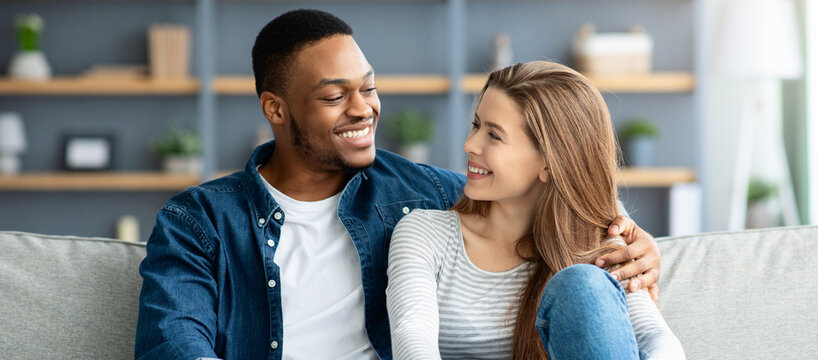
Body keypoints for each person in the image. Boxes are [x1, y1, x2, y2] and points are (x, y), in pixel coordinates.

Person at [135, 10, 663, 360]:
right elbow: (174, 346)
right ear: (276, 108)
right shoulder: (199, 223)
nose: (363, 108)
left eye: (368, 87)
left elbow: (529, 187)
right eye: (334, 96)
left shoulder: (418, 195)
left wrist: (626, 234)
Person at [386, 61, 684, 359]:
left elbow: (658, 340)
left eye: (494, 135)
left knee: (583, 284)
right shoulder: (424, 234)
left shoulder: (602, 246)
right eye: (476, 125)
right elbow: (412, 340)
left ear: (549, 162)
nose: (469, 144)